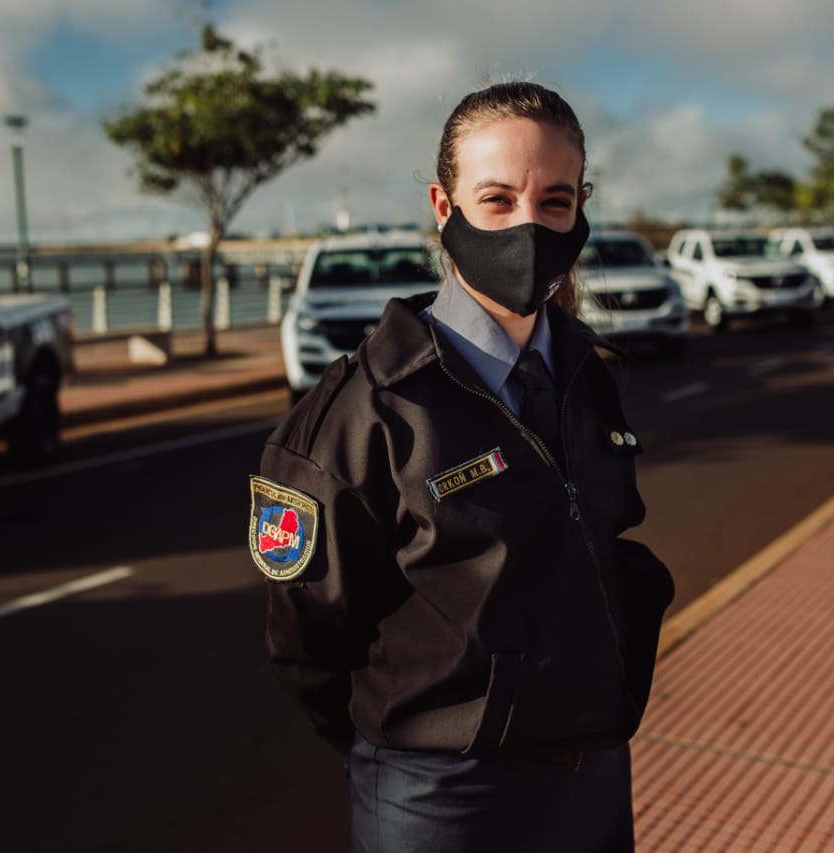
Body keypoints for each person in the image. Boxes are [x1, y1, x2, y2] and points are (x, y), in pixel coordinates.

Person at [249, 80, 674, 853]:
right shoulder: (364, 410)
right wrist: (405, 746)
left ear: (582, 205)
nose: (528, 224)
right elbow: (309, 638)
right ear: (445, 209)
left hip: (596, 772)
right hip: (443, 795)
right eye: (497, 198)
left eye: (553, 200)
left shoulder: (587, 373)